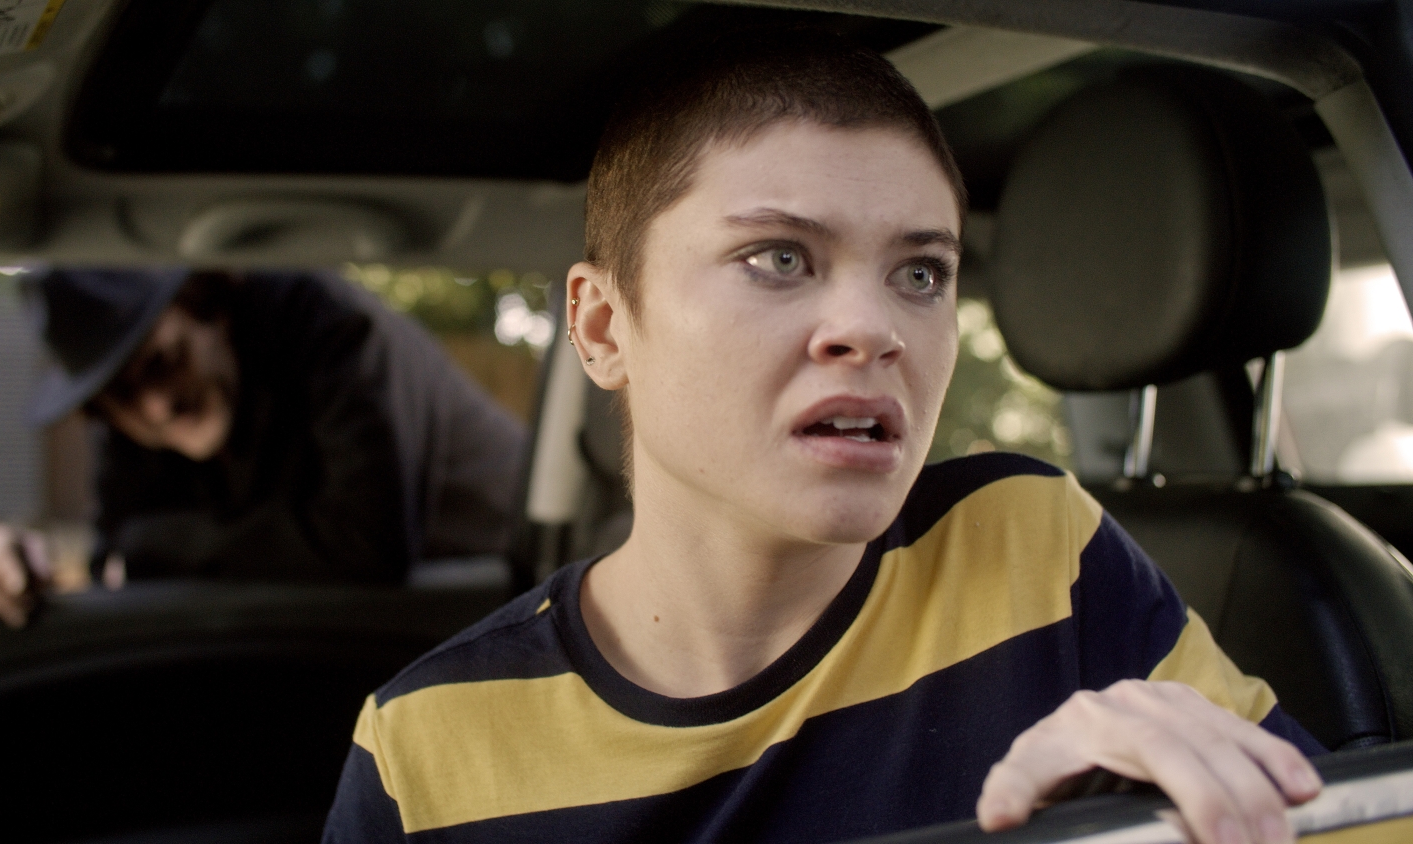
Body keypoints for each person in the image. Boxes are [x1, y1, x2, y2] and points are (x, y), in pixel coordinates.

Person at [321, 27, 1324, 844]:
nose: (874, 328)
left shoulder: (1036, 550)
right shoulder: (427, 746)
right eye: (778, 258)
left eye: (920, 273)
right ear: (603, 327)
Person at [0, 267, 527, 627]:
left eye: (164, 361)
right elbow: (116, 569)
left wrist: (161, 543)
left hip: (488, 601)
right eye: (121, 395)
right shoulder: (131, 424)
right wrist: (19, 563)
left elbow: (368, 542)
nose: (157, 406)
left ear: (206, 304)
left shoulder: (333, 329)